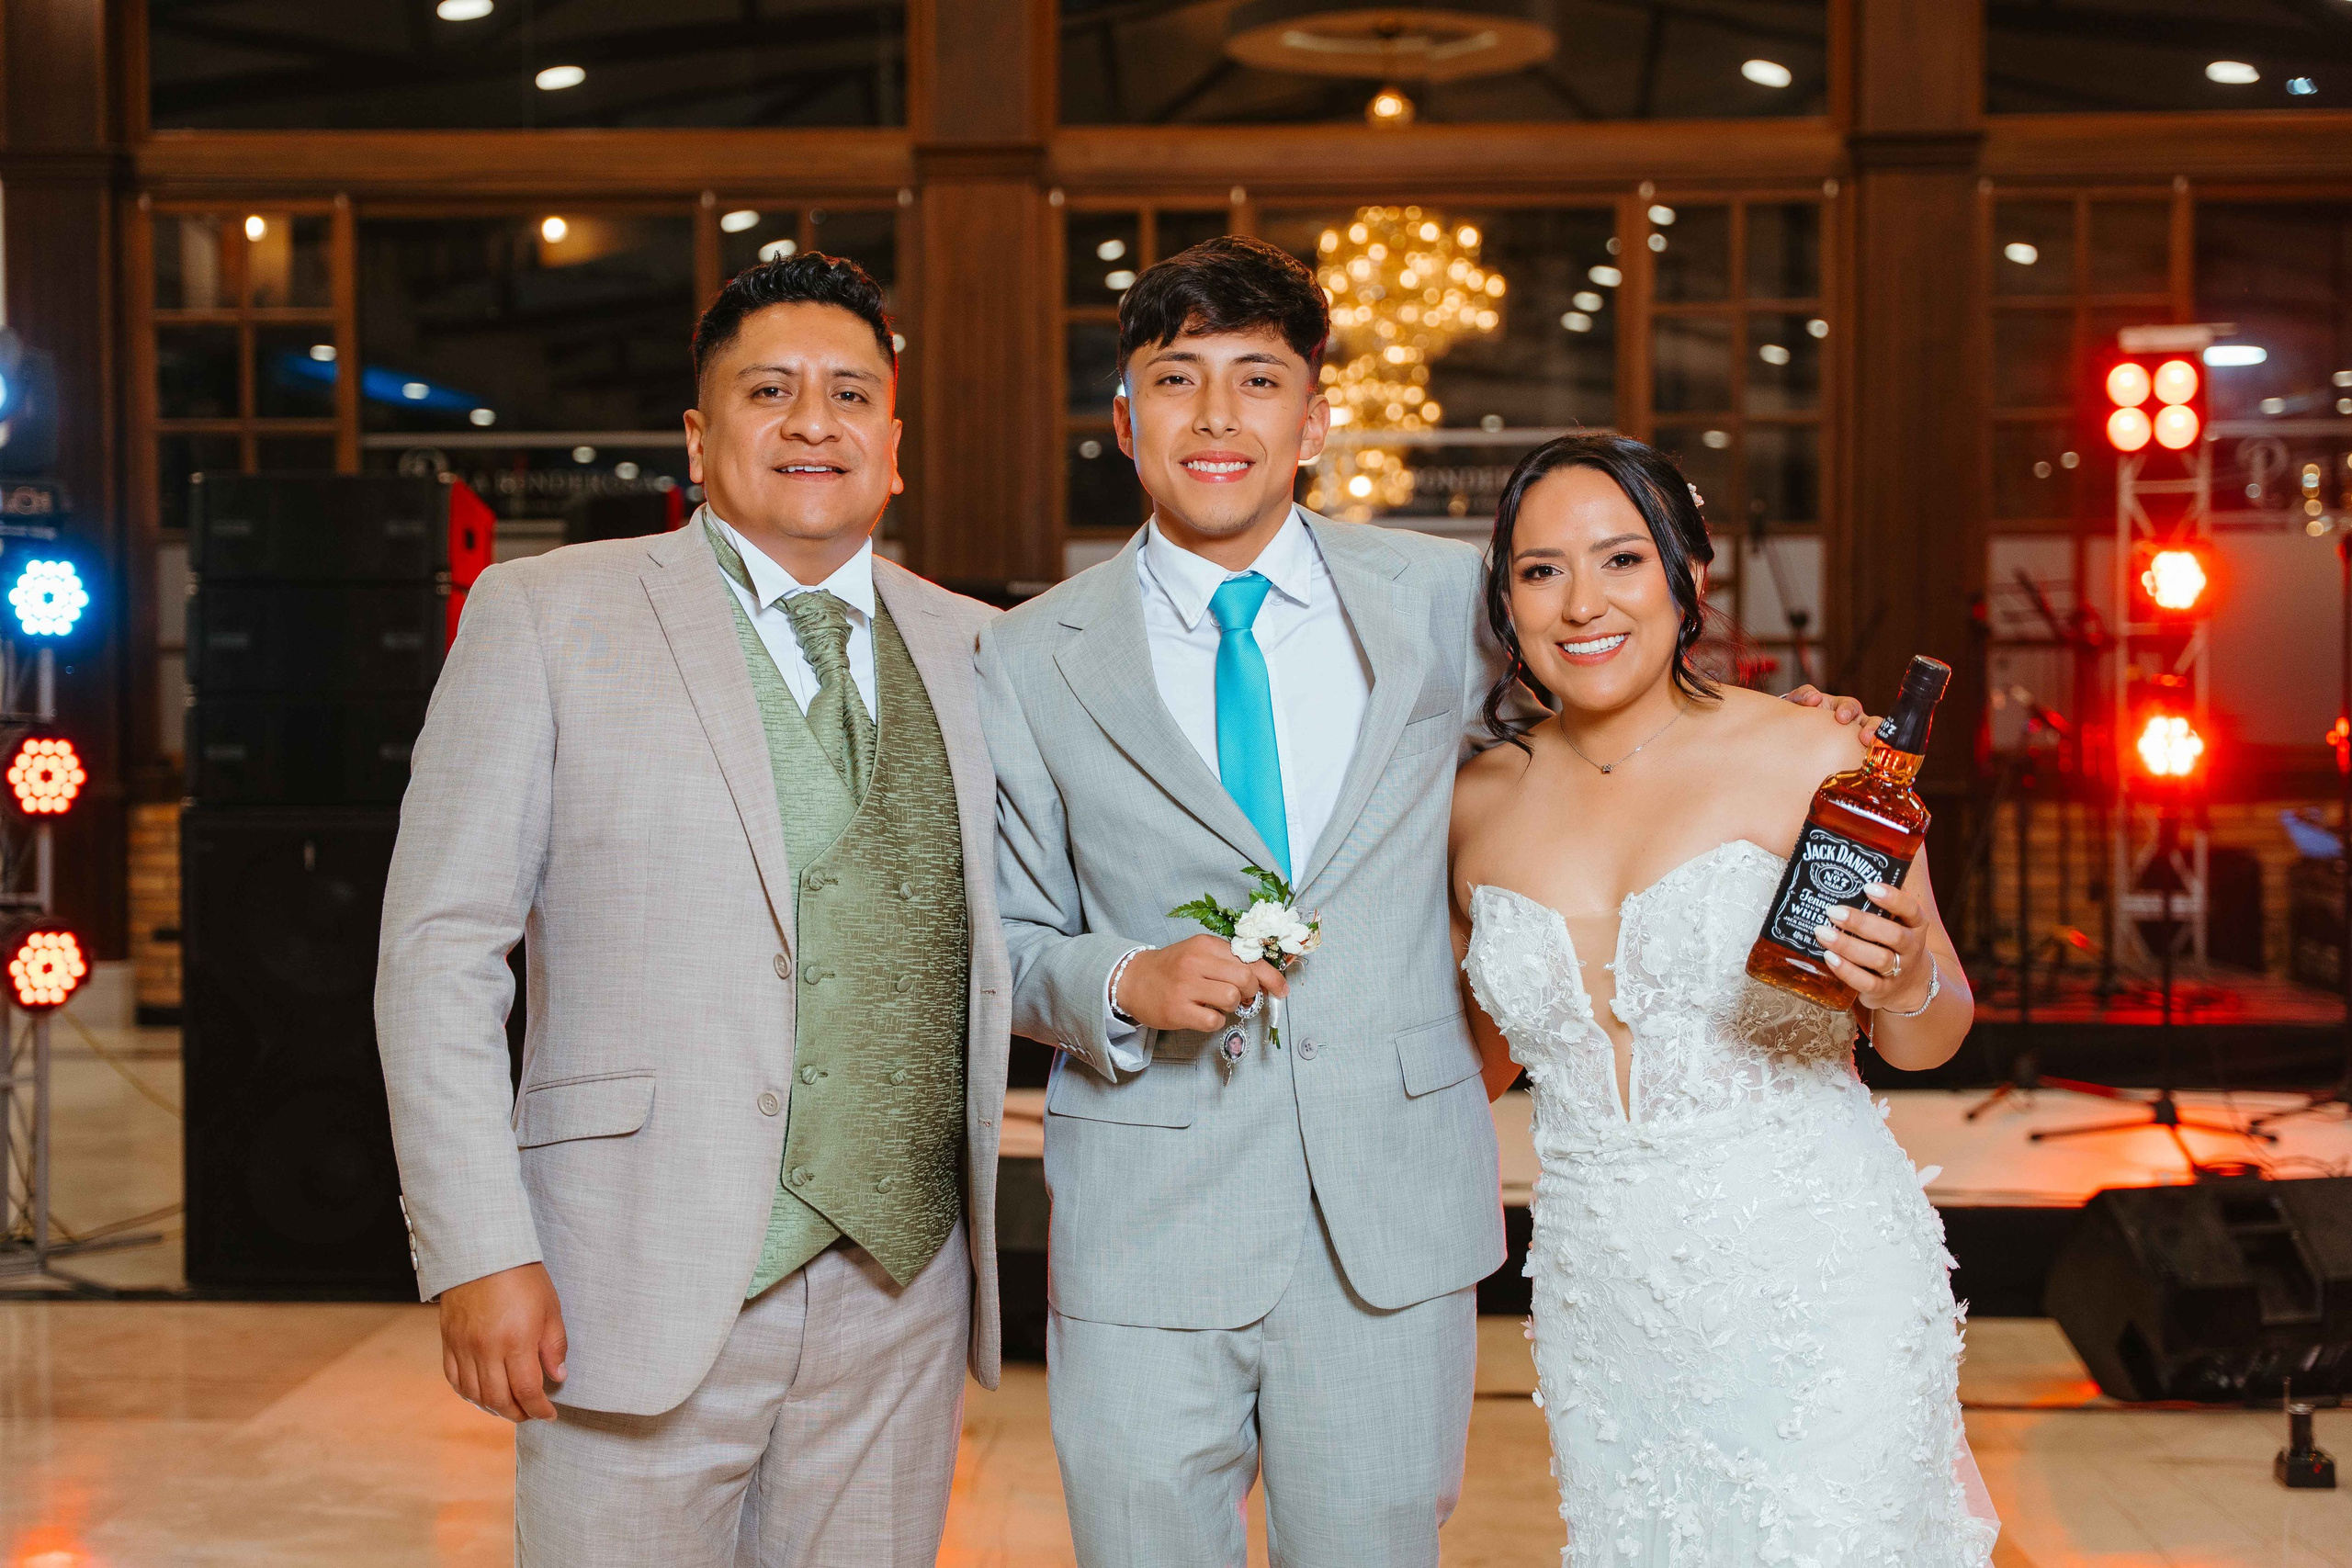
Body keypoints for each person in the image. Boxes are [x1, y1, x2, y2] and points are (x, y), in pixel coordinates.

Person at [977, 239, 1866, 1566]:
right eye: (1178, 378)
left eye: (1259, 378)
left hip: (1387, 1218)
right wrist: (1121, 980)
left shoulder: (1448, 596)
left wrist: (1777, 737)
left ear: (1315, 419)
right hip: (1147, 1219)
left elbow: (1610, 686)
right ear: (1125, 417)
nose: (1218, 416)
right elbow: (1009, 935)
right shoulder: (1028, 651)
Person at [375, 252, 1009, 1567]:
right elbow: (439, 953)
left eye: (849, 393)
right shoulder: (548, 613)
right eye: (768, 389)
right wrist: (479, 1248)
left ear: (894, 441)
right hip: (630, 1267)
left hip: (900, 1293)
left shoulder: (977, 645)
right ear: (698, 435)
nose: (811, 421)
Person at [1450, 433, 2000, 1566]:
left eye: (1622, 560)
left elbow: (1932, 1031)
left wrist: (1902, 981)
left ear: (1686, 577)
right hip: (1604, 1287)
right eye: (1540, 570)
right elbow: (1470, 1063)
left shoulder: (1814, 755)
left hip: (1815, 1271)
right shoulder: (1472, 804)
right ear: (1506, 600)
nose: (1582, 603)